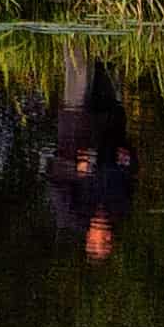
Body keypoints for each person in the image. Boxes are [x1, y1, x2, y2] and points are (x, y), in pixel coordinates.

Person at [45, 50, 138, 258]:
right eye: (109, 242)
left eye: (103, 242)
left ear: (90, 239)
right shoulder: (121, 208)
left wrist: (75, 168)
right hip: (111, 119)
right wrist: (127, 156)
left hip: (78, 120)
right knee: (111, 56)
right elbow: (132, 170)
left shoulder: (69, 214)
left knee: (79, 59)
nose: (109, 237)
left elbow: (52, 170)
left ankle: (73, 24)